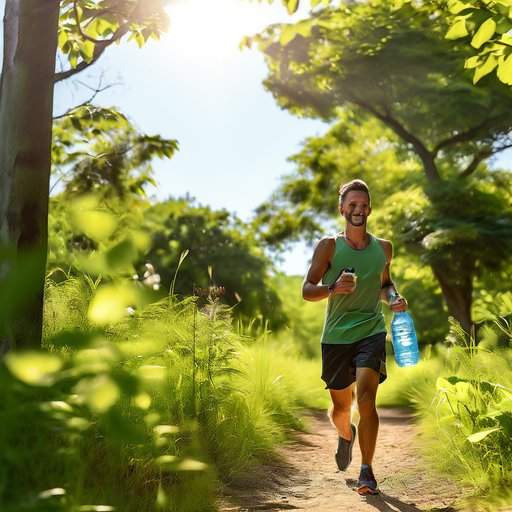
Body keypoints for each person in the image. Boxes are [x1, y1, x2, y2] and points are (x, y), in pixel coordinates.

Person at [302, 179, 408, 496]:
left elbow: (385, 284)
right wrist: (332, 288)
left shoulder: (384, 248)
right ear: (342, 209)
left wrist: (393, 298)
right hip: (335, 336)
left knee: (366, 399)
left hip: (371, 330)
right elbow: (307, 290)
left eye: (363, 205)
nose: (358, 210)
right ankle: (346, 434)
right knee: (340, 409)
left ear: (370, 209)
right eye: (352, 205)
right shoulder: (329, 246)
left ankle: (367, 471)